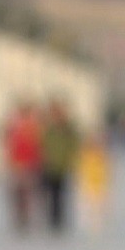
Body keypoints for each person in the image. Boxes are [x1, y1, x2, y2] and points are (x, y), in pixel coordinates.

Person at [39, 97, 82, 233]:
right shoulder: (48, 128)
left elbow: (74, 145)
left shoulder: (67, 129)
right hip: (49, 166)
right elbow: (41, 144)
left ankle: (58, 221)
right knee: (49, 195)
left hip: (62, 166)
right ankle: (51, 220)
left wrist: (72, 160)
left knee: (60, 195)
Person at [4, 99, 43, 234]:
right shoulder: (15, 127)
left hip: (30, 164)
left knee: (28, 193)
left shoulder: (33, 126)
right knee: (18, 193)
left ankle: (26, 217)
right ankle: (20, 217)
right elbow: (9, 145)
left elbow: (37, 146)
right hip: (18, 164)